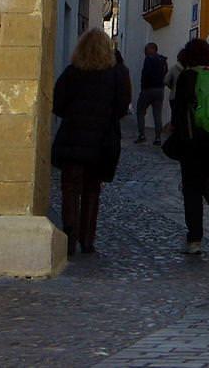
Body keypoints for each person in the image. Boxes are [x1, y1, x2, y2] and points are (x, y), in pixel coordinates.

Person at [50, 29, 127, 256]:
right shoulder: (115, 75)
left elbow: (58, 104)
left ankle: (70, 233)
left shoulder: (71, 73)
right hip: (101, 142)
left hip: (72, 139)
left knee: (70, 189)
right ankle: (87, 239)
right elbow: (122, 107)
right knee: (92, 191)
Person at [166, 36, 209, 254]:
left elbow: (178, 111)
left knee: (192, 190)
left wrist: (175, 132)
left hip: (194, 144)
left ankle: (194, 240)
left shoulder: (187, 77)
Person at [134, 41, 168, 144]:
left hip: (148, 89)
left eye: (146, 49)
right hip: (160, 90)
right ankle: (158, 138)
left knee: (140, 111)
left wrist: (143, 87)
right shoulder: (163, 60)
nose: (144, 51)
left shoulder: (149, 59)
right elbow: (166, 74)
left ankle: (142, 135)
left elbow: (145, 74)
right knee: (157, 114)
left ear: (152, 49)